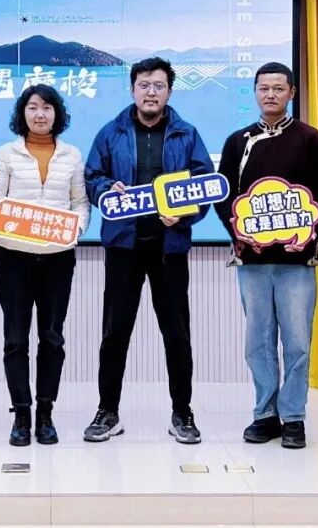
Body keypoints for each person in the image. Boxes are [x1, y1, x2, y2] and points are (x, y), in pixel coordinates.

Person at [82, 56, 214, 445]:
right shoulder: (111, 132)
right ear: (132, 89)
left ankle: (182, 412)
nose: (151, 92)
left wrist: (185, 213)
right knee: (114, 333)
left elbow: (204, 183)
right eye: (144, 85)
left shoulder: (187, 134)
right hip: (124, 248)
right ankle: (107, 411)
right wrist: (107, 190)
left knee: (177, 334)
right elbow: (92, 177)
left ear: (169, 90)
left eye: (158, 85)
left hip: (169, 250)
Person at [214, 61, 318, 450]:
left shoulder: (311, 139)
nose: (271, 95)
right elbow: (224, 197)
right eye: (264, 88)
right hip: (252, 259)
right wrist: (240, 233)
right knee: (259, 341)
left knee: (297, 341)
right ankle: (265, 413)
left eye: (278, 88)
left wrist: (308, 233)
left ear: (292, 93)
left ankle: (294, 416)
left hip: (297, 260)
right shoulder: (238, 142)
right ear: (254, 92)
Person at [0, 84, 90, 446]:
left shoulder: (72, 155)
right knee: (15, 339)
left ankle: (45, 413)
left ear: (57, 113)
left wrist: (74, 230)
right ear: (22, 113)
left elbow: (80, 204)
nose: (40, 114)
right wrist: (2, 225)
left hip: (58, 259)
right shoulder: (7, 153)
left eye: (47, 107)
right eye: (32, 107)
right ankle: (21, 414)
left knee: (52, 338)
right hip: (14, 258)